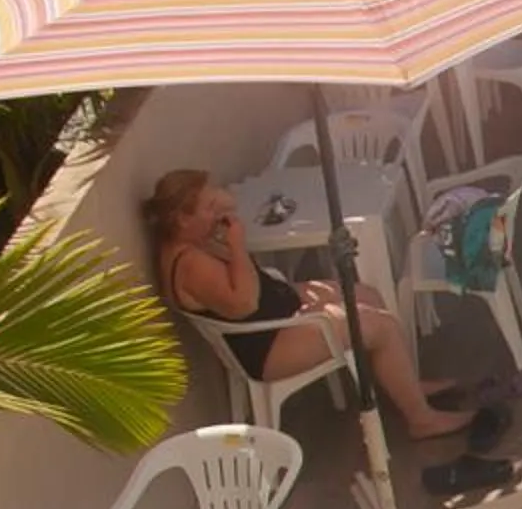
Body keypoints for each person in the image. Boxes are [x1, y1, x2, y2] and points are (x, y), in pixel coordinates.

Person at [148, 169, 478, 442]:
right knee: (382, 327)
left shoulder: (186, 238)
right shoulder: (190, 265)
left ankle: (407, 387)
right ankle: (421, 420)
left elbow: (230, 204)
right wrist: (236, 246)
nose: (219, 210)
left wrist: (216, 206)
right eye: (208, 206)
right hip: (268, 344)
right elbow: (245, 304)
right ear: (182, 220)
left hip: (278, 312)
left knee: (366, 295)